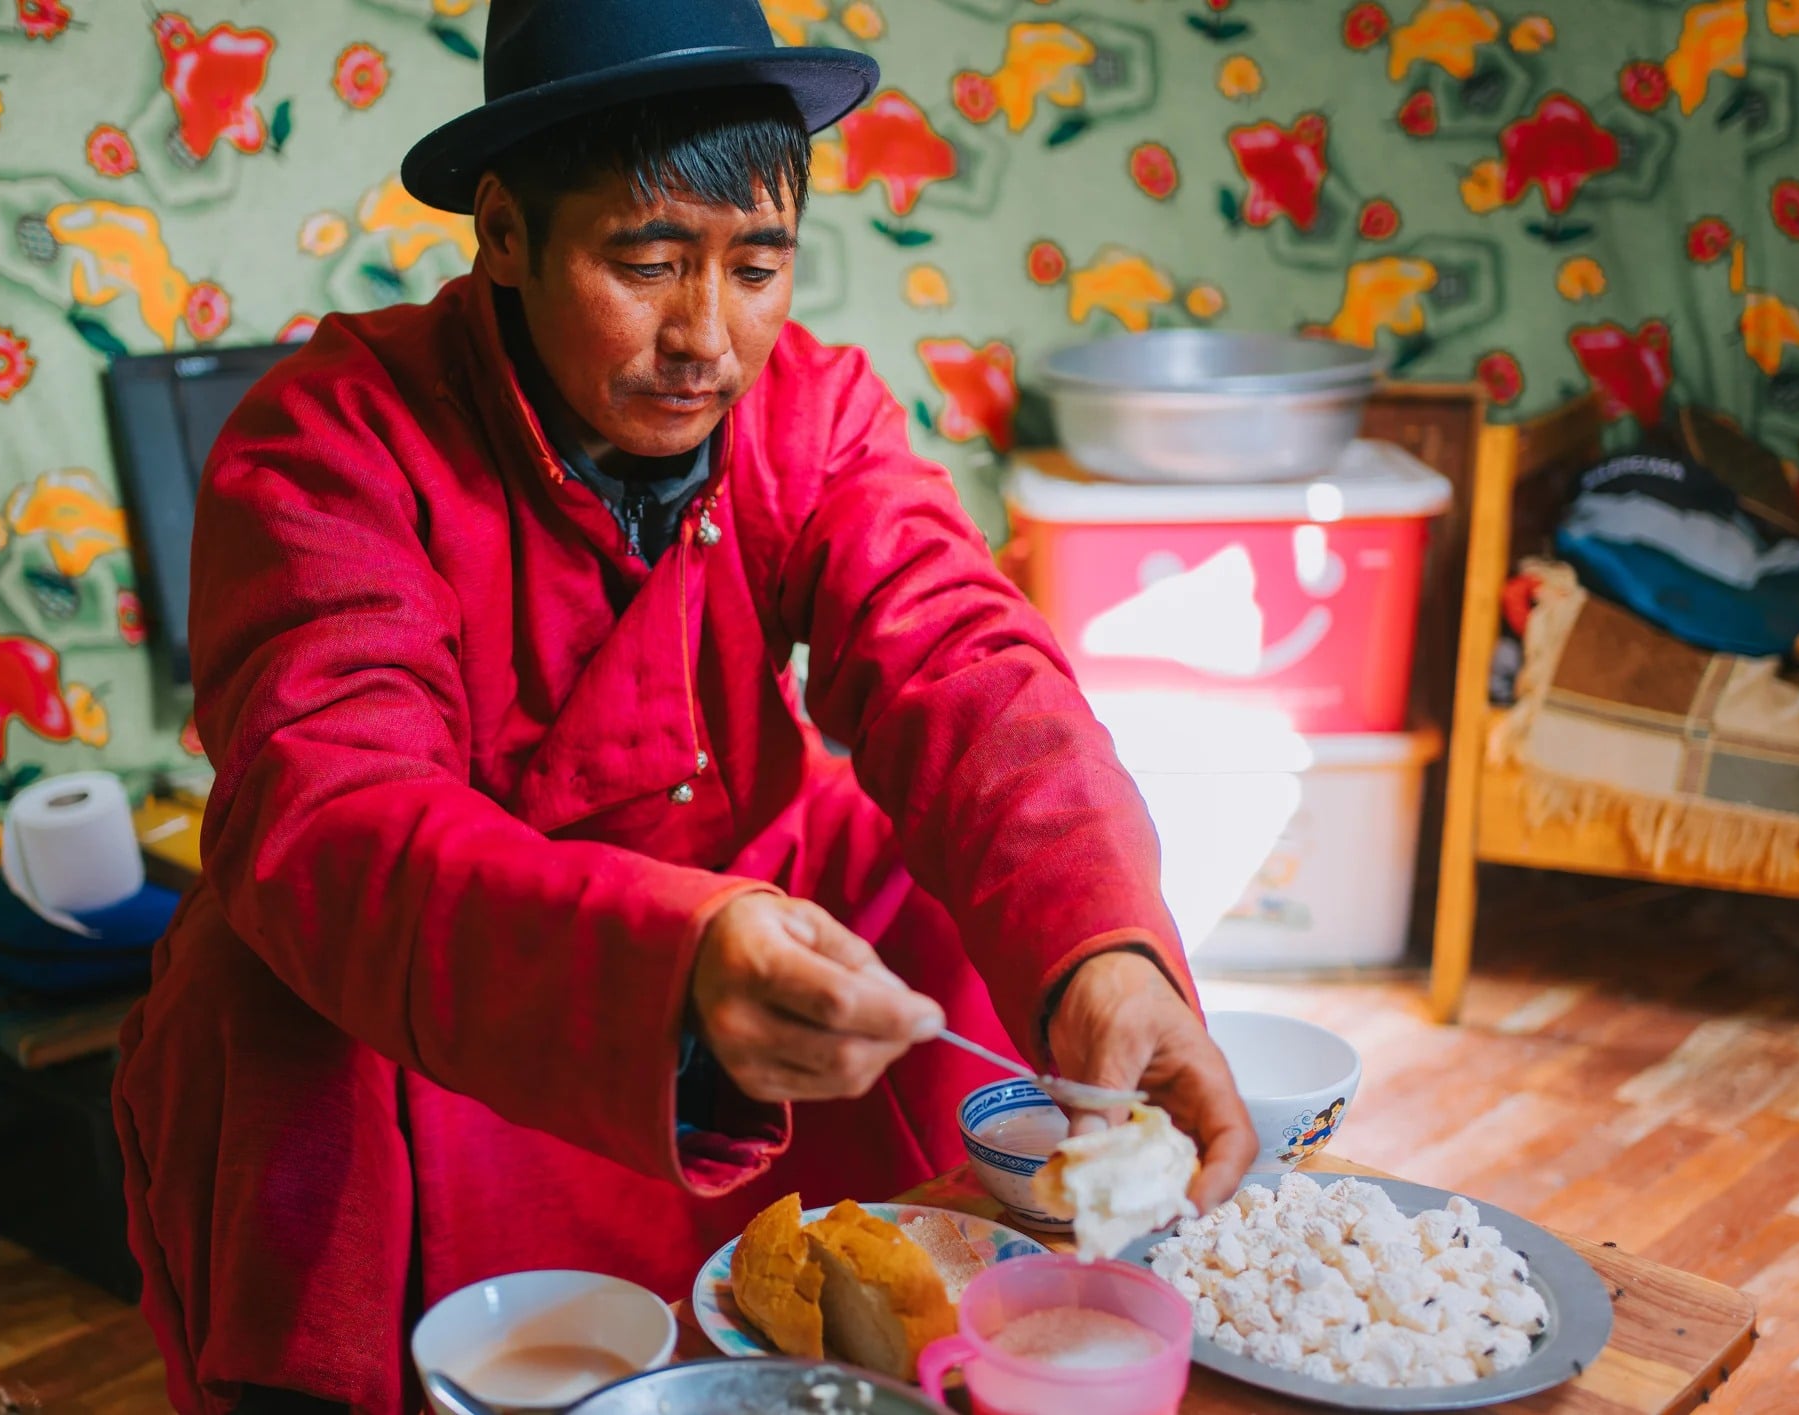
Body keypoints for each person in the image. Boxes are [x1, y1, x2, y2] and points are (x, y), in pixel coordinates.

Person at [111, 0, 1259, 1410]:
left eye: (757, 266)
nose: (707, 339)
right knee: (260, 977)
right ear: (506, 234)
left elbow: (960, 666)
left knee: (965, 884)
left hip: (742, 903)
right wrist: (667, 967)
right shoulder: (330, 441)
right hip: (485, 970)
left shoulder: (811, 415)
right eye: (646, 261)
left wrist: (1105, 954)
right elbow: (337, 814)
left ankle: (964, 1324)